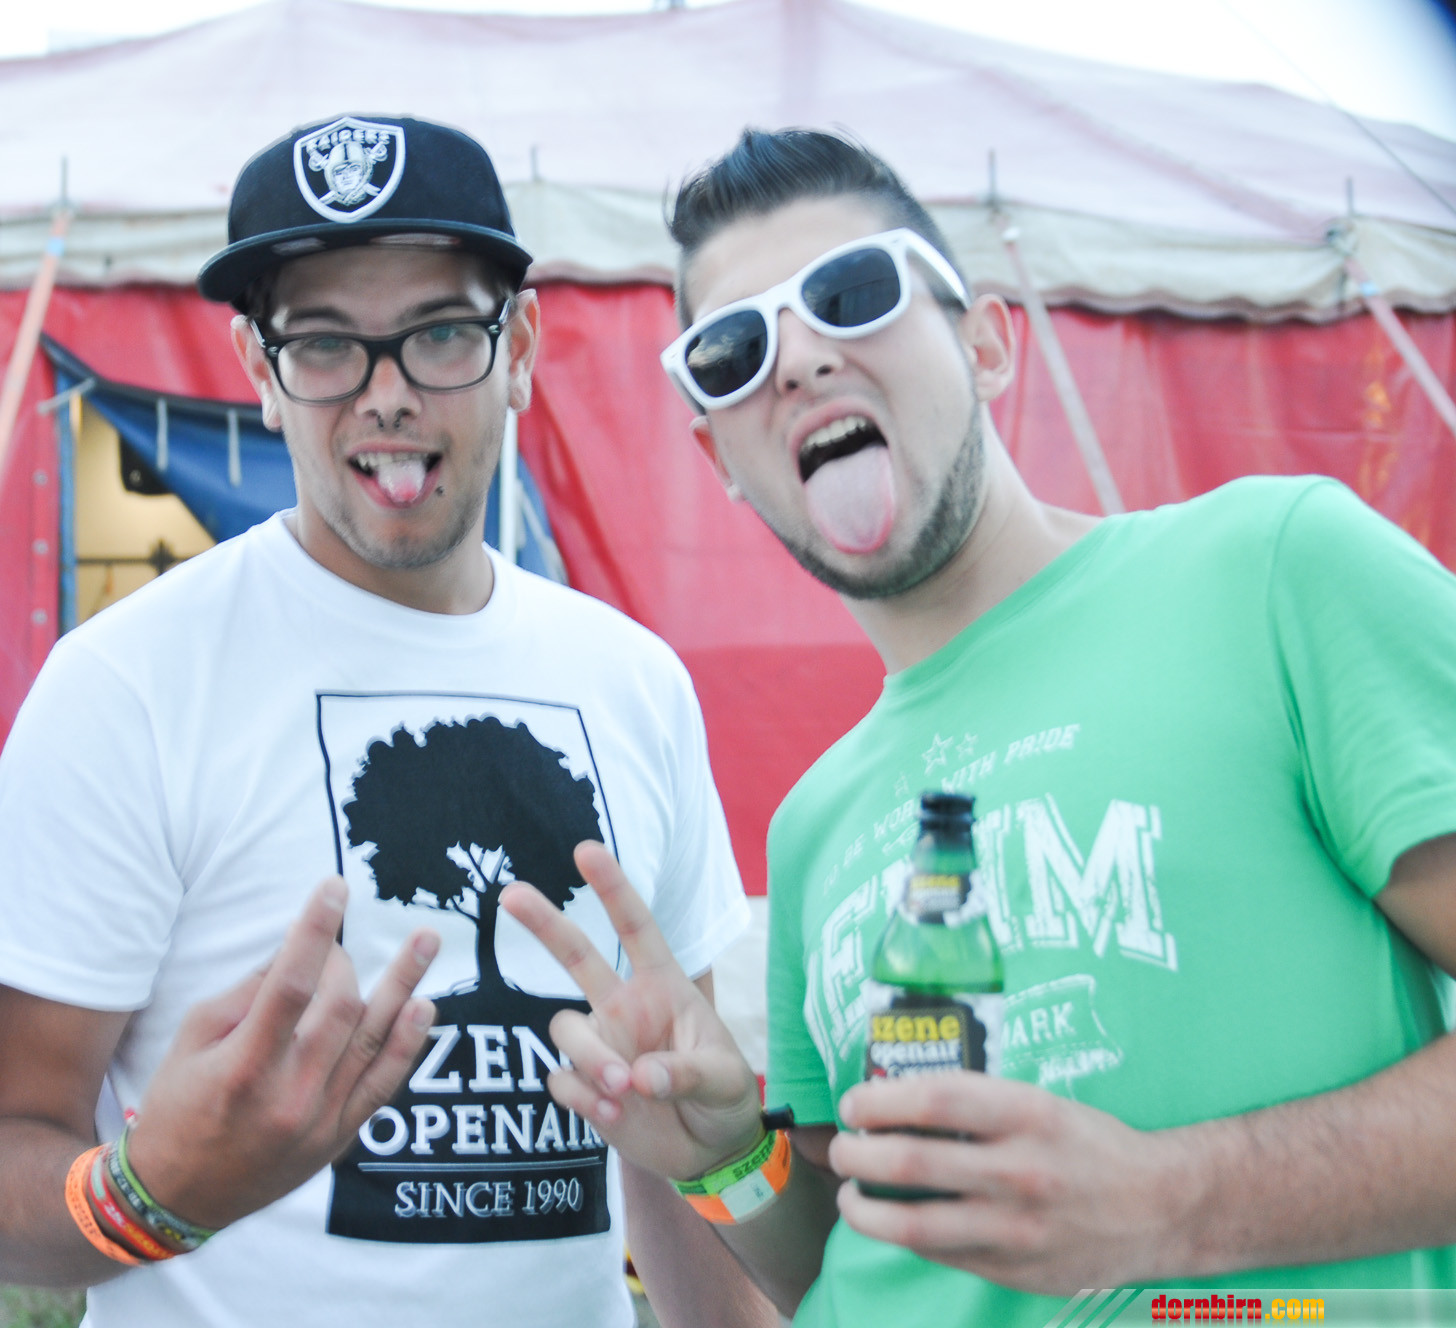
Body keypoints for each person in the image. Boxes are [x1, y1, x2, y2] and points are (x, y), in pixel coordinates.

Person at [501, 127, 1456, 1327]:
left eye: (851, 293)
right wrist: (722, 1151)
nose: (798, 360)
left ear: (986, 342)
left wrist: (1169, 1200)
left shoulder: (1271, 571)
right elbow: (861, 1258)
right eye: (732, 353)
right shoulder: (810, 824)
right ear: (720, 458)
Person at [0, 114, 773, 1327]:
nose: (386, 397)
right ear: (257, 366)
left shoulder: (633, 682)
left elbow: (673, 1130)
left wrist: (729, 1168)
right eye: (326, 344)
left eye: (439, 334)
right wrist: (147, 1193)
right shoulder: (126, 684)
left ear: (519, 348)